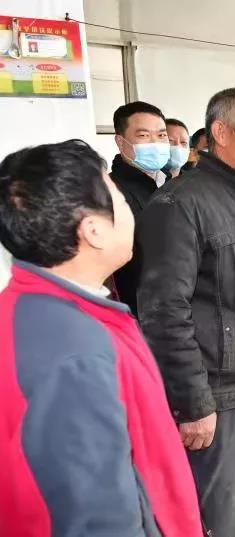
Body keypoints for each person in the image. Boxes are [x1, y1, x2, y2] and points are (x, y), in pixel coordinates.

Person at [0, 139, 203, 536]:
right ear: (93, 230)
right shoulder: (75, 351)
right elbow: (98, 515)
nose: (129, 209)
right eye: (120, 198)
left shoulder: (39, 309)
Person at [137, 88, 235, 537]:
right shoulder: (181, 203)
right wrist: (193, 402)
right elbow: (164, 312)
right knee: (214, 520)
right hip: (216, 398)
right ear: (221, 132)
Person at [109, 101, 170, 315]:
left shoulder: (173, 185)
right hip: (137, 311)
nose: (156, 143)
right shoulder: (110, 192)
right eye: (144, 136)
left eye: (161, 135)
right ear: (121, 142)